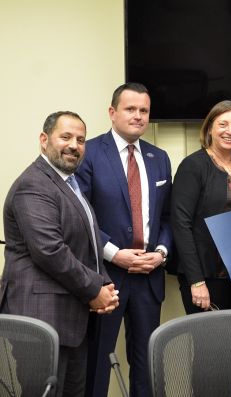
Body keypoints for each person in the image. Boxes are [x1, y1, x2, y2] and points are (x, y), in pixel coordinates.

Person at [0, 111, 118, 397]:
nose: (74, 145)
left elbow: (85, 244)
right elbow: (49, 250)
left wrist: (103, 285)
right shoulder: (34, 184)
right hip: (41, 318)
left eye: (80, 139)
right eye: (65, 137)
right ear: (44, 140)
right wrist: (94, 289)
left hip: (70, 317)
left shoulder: (70, 184)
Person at [76, 83, 173, 397]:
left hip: (149, 275)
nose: (138, 116)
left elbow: (167, 217)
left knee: (147, 365)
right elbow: (80, 215)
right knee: (97, 364)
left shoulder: (159, 157)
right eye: (130, 109)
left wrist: (161, 251)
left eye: (143, 110)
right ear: (112, 112)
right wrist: (114, 254)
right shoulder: (87, 153)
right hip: (105, 277)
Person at [171, 100, 231, 314]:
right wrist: (196, 281)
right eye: (223, 124)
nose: (230, 131)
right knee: (208, 346)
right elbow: (180, 225)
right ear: (210, 127)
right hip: (207, 278)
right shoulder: (193, 166)